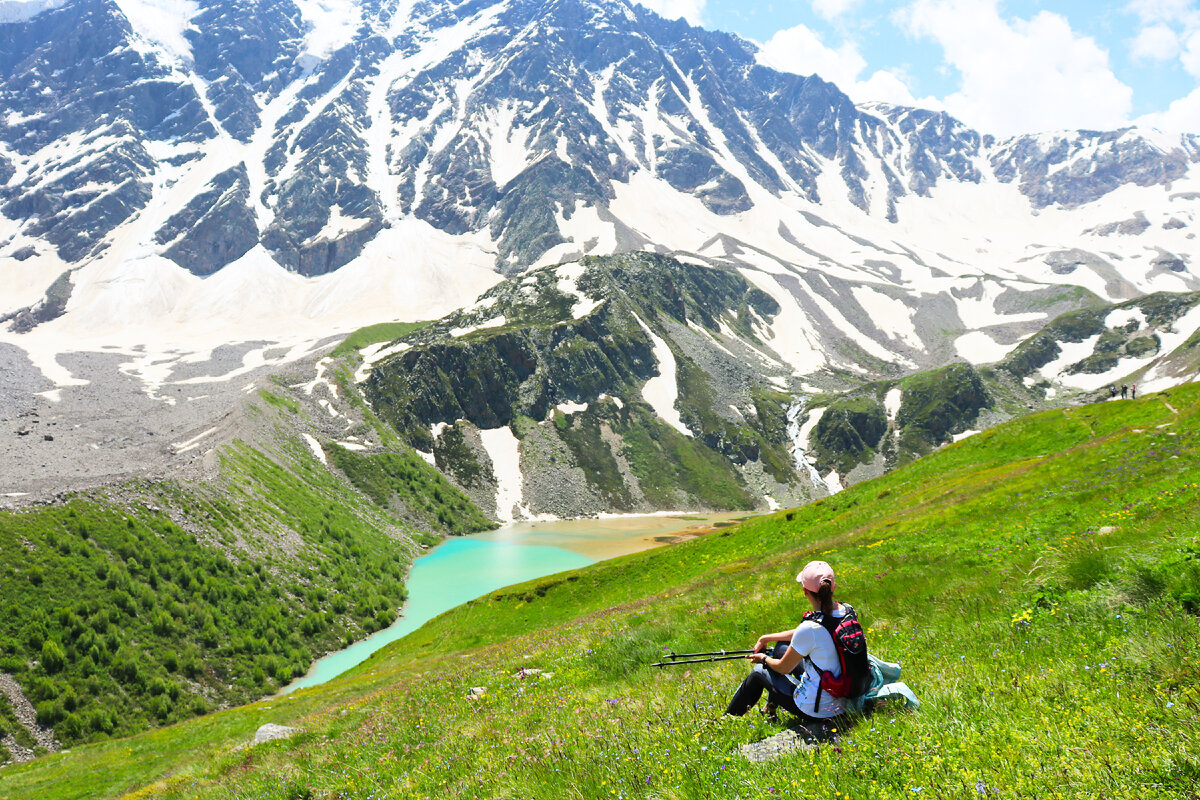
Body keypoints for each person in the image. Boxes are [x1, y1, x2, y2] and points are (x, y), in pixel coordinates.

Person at [724, 560, 860, 723]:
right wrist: (766, 638)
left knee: (759, 671)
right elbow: (807, 634)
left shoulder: (810, 629)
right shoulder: (847, 610)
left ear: (805, 591)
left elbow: (782, 668)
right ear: (833, 586)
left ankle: (726, 721)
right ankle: (770, 707)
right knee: (781, 647)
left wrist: (763, 658)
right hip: (846, 693)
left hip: (820, 710)